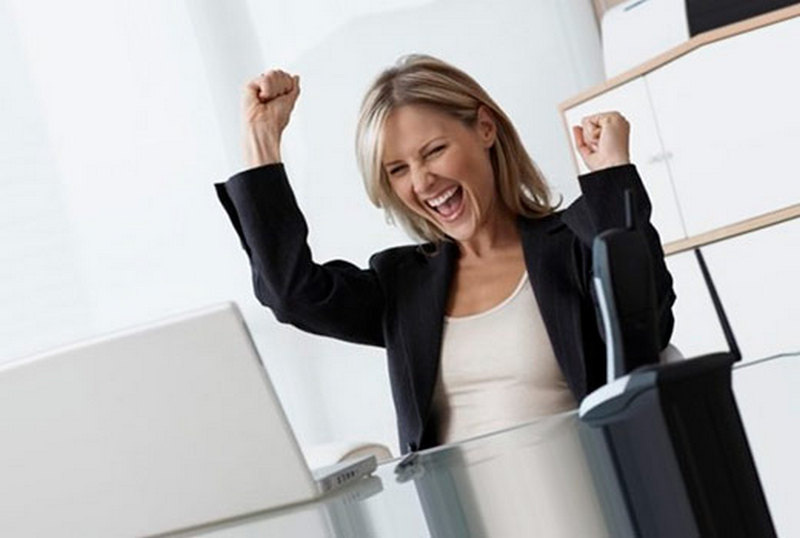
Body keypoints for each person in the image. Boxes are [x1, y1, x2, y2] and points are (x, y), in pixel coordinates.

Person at [214, 54, 676, 455]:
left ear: (485, 128)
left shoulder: (574, 244)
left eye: (433, 151)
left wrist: (612, 176)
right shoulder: (403, 285)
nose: (421, 182)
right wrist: (262, 140)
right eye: (398, 169)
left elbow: (647, 327)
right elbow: (291, 294)